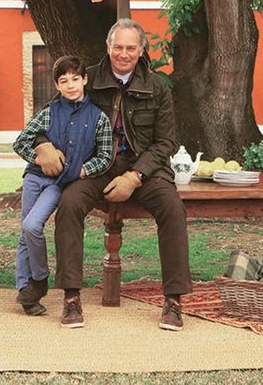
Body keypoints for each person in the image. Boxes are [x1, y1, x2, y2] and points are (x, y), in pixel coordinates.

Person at [36, 18, 192, 330]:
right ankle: (70, 297)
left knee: (173, 209)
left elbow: (166, 142)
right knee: (69, 203)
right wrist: (44, 146)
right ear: (108, 48)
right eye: (118, 47)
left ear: (141, 50)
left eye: (130, 48)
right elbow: (47, 118)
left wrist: (136, 176)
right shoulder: (86, 79)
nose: (123, 53)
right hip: (95, 166)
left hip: (144, 169)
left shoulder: (158, 86)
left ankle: (173, 300)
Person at [11, 56, 113, 316]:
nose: (71, 86)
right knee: (26, 233)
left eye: (75, 79)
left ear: (85, 80)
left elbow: (105, 156)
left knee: (32, 226)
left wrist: (81, 170)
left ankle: (40, 279)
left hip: (59, 183)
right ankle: (26, 292)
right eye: (64, 81)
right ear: (57, 85)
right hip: (35, 177)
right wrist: (40, 158)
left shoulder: (98, 118)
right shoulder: (49, 113)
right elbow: (20, 142)